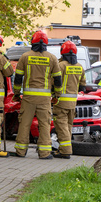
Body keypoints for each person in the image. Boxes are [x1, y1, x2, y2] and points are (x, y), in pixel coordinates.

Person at [12, 30, 62, 159]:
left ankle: (20, 151)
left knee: (24, 123)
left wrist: (16, 93)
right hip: (45, 99)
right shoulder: (52, 58)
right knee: (44, 124)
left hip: (28, 98)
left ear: (32, 42)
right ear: (46, 43)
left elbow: (18, 78)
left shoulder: (25, 56)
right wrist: (57, 95)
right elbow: (57, 79)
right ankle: (44, 153)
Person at [52, 41, 85, 159]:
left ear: (62, 52)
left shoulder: (61, 66)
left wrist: (53, 94)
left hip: (60, 102)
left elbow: (55, 82)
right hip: (72, 103)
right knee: (68, 127)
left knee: (61, 127)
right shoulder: (79, 67)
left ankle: (65, 151)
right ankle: (63, 148)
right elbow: (82, 86)